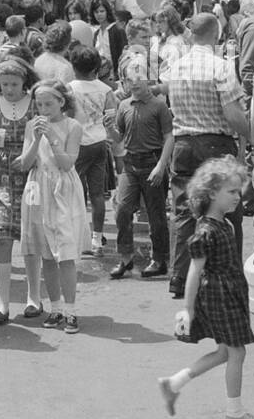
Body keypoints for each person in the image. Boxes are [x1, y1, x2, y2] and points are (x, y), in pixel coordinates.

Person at [157, 156, 254, 419]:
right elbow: (195, 272)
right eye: (231, 192)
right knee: (237, 352)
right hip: (219, 295)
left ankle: (174, 383)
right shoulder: (206, 230)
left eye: (238, 191)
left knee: (224, 353)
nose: (237, 197)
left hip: (229, 294)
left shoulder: (224, 224)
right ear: (211, 194)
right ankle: (235, 412)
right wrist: (188, 309)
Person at [159, 14, 250, 298]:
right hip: (216, 142)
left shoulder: (175, 68)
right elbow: (233, 116)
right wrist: (253, 138)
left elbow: (166, 97)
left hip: (184, 143)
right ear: (216, 34)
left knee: (185, 212)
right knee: (227, 209)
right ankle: (228, 272)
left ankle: (179, 276)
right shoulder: (221, 67)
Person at [19, 79, 86, 334]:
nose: (44, 109)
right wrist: (35, 138)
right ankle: (55, 307)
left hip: (63, 189)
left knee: (65, 252)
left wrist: (51, 137)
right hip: (38, 188)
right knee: (46, 252)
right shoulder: (31, 126)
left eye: (49, 103)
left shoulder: (73, 126)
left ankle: (70, 310)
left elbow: (67, 163)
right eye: (39, 104)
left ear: (61, 102)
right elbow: (25, 163)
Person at [0, 57, 43, 322]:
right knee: (2, 237)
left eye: (14, 84)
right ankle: (2, 304)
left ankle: (34, 298)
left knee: (30, 237)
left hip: (30, 174)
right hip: (1, 175)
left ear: (24, 82)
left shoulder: (35, 105)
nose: (9, 89)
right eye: (4, 84)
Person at [107, 64, 173, 280]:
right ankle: (125, 257)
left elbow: (168, 137)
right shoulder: (124, 105)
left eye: (139, 78)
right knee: (123, 209)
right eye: (129, 79)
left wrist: (161, 166)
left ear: (149, 81)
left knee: (156, 214)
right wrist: (109, 129)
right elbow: (119, 137)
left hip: (152, 160)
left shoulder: (158, 106)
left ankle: (160, 258)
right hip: (130, 163)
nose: (134, 82)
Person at [67, 45, 116, 256]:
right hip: (99, 142)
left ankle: (78, 237)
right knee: (98, 194)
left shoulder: (68, 88)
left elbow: (66, 115)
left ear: (73, 66)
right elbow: (111, 116)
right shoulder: (106, 90)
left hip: (77, 143)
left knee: (76, 192)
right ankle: (97, 238)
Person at [90, 0, 126, 77]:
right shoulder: (96, 33)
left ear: (107, 11)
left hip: (116, 76)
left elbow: (124, 53)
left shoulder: (117, 29)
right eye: (96, 12)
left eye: (102, 11)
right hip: (100, 76)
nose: (99, 14)